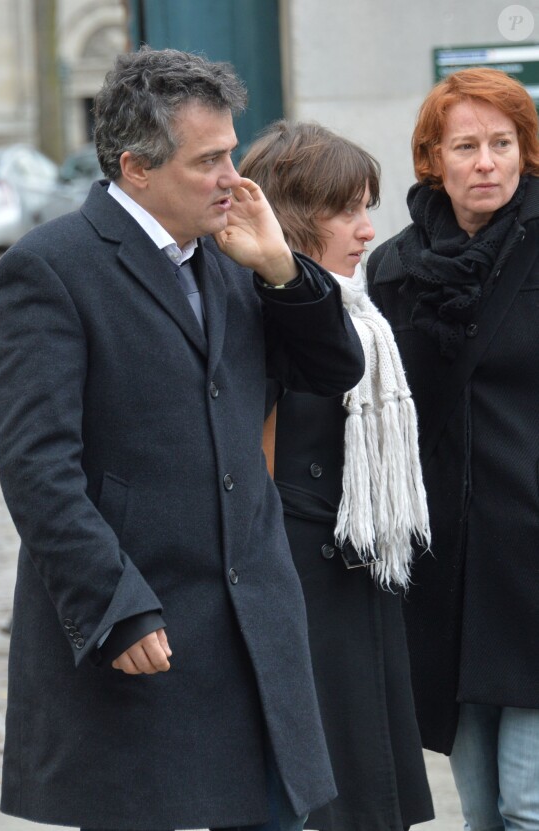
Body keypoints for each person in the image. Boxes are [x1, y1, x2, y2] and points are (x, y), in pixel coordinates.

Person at [0, 48, 366, 831]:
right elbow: (35, 465)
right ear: (137, 168)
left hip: (252, 631)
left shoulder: (234, 256)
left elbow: (333, 369)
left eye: (232, 150)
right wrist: (114, 608)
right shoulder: (48, 269)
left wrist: (284, 271)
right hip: (138, 629)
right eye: (211, 160)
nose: (236, 176)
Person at [240, 120, 434, 831]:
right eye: (347, 209)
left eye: (367, 205)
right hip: (298, 585)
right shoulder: (256, 305)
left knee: (368, 801)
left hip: (361, 579)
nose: (366, 228)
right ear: (294, 216)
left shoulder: (359, 310)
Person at [366, 67, 539, 831]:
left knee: (527, 802)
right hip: (449, 569)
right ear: (432, 158)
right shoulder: (398, 268)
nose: (486, 162)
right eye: (465, 145)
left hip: (534, 556)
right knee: (479, 809)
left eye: (503, 143)